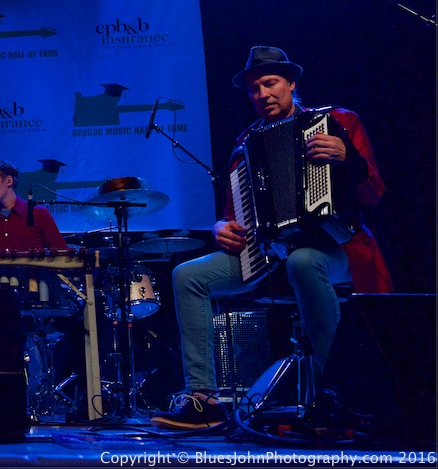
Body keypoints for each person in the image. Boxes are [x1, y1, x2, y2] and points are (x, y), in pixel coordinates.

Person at [150, 46, 392, 430]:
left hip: (339, 245)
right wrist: (220, 228)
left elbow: (374, 194)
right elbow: (234, 217)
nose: (261, 94)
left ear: (291, 84)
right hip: (270, 253)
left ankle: (334, 396)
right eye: (253, 89)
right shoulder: (246, 144)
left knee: (304, 260)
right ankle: (204, 400)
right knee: (187, 275)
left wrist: (348, 158)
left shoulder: (340, 122)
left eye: (269, 83)